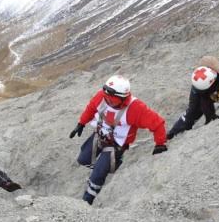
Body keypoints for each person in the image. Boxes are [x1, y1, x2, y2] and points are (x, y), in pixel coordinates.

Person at [69, 75, 168, 205]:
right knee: (83, 159)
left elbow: (157, 123)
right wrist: (81, 123)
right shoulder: (102, 96)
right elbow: (91, 107)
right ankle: (106, 168)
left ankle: (87, 200)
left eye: (112, 100)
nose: (108, 102)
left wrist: (160, 144)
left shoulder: (136, 108)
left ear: (123, 97)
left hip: (117, 144)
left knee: (97, 174)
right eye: (107, 98)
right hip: (100, 135)